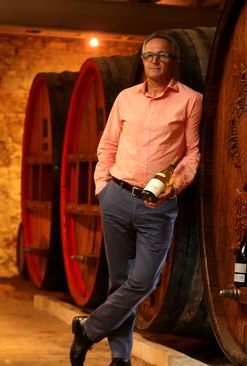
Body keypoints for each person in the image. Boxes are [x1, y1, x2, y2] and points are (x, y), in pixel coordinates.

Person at [69, 32, 202, 366]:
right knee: (119, 282)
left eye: (162, 55)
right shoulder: (125, 98)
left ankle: (88, 330)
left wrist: (175, 186)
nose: (154, 60)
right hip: (117, 196)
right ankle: (120, 358)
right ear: (142, 60)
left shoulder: (190, 100)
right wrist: (103, 187)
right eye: (148, 55)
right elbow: (108, 145)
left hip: (157, 205)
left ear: (174, 62)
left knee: (144, 279)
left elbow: (192, 153)